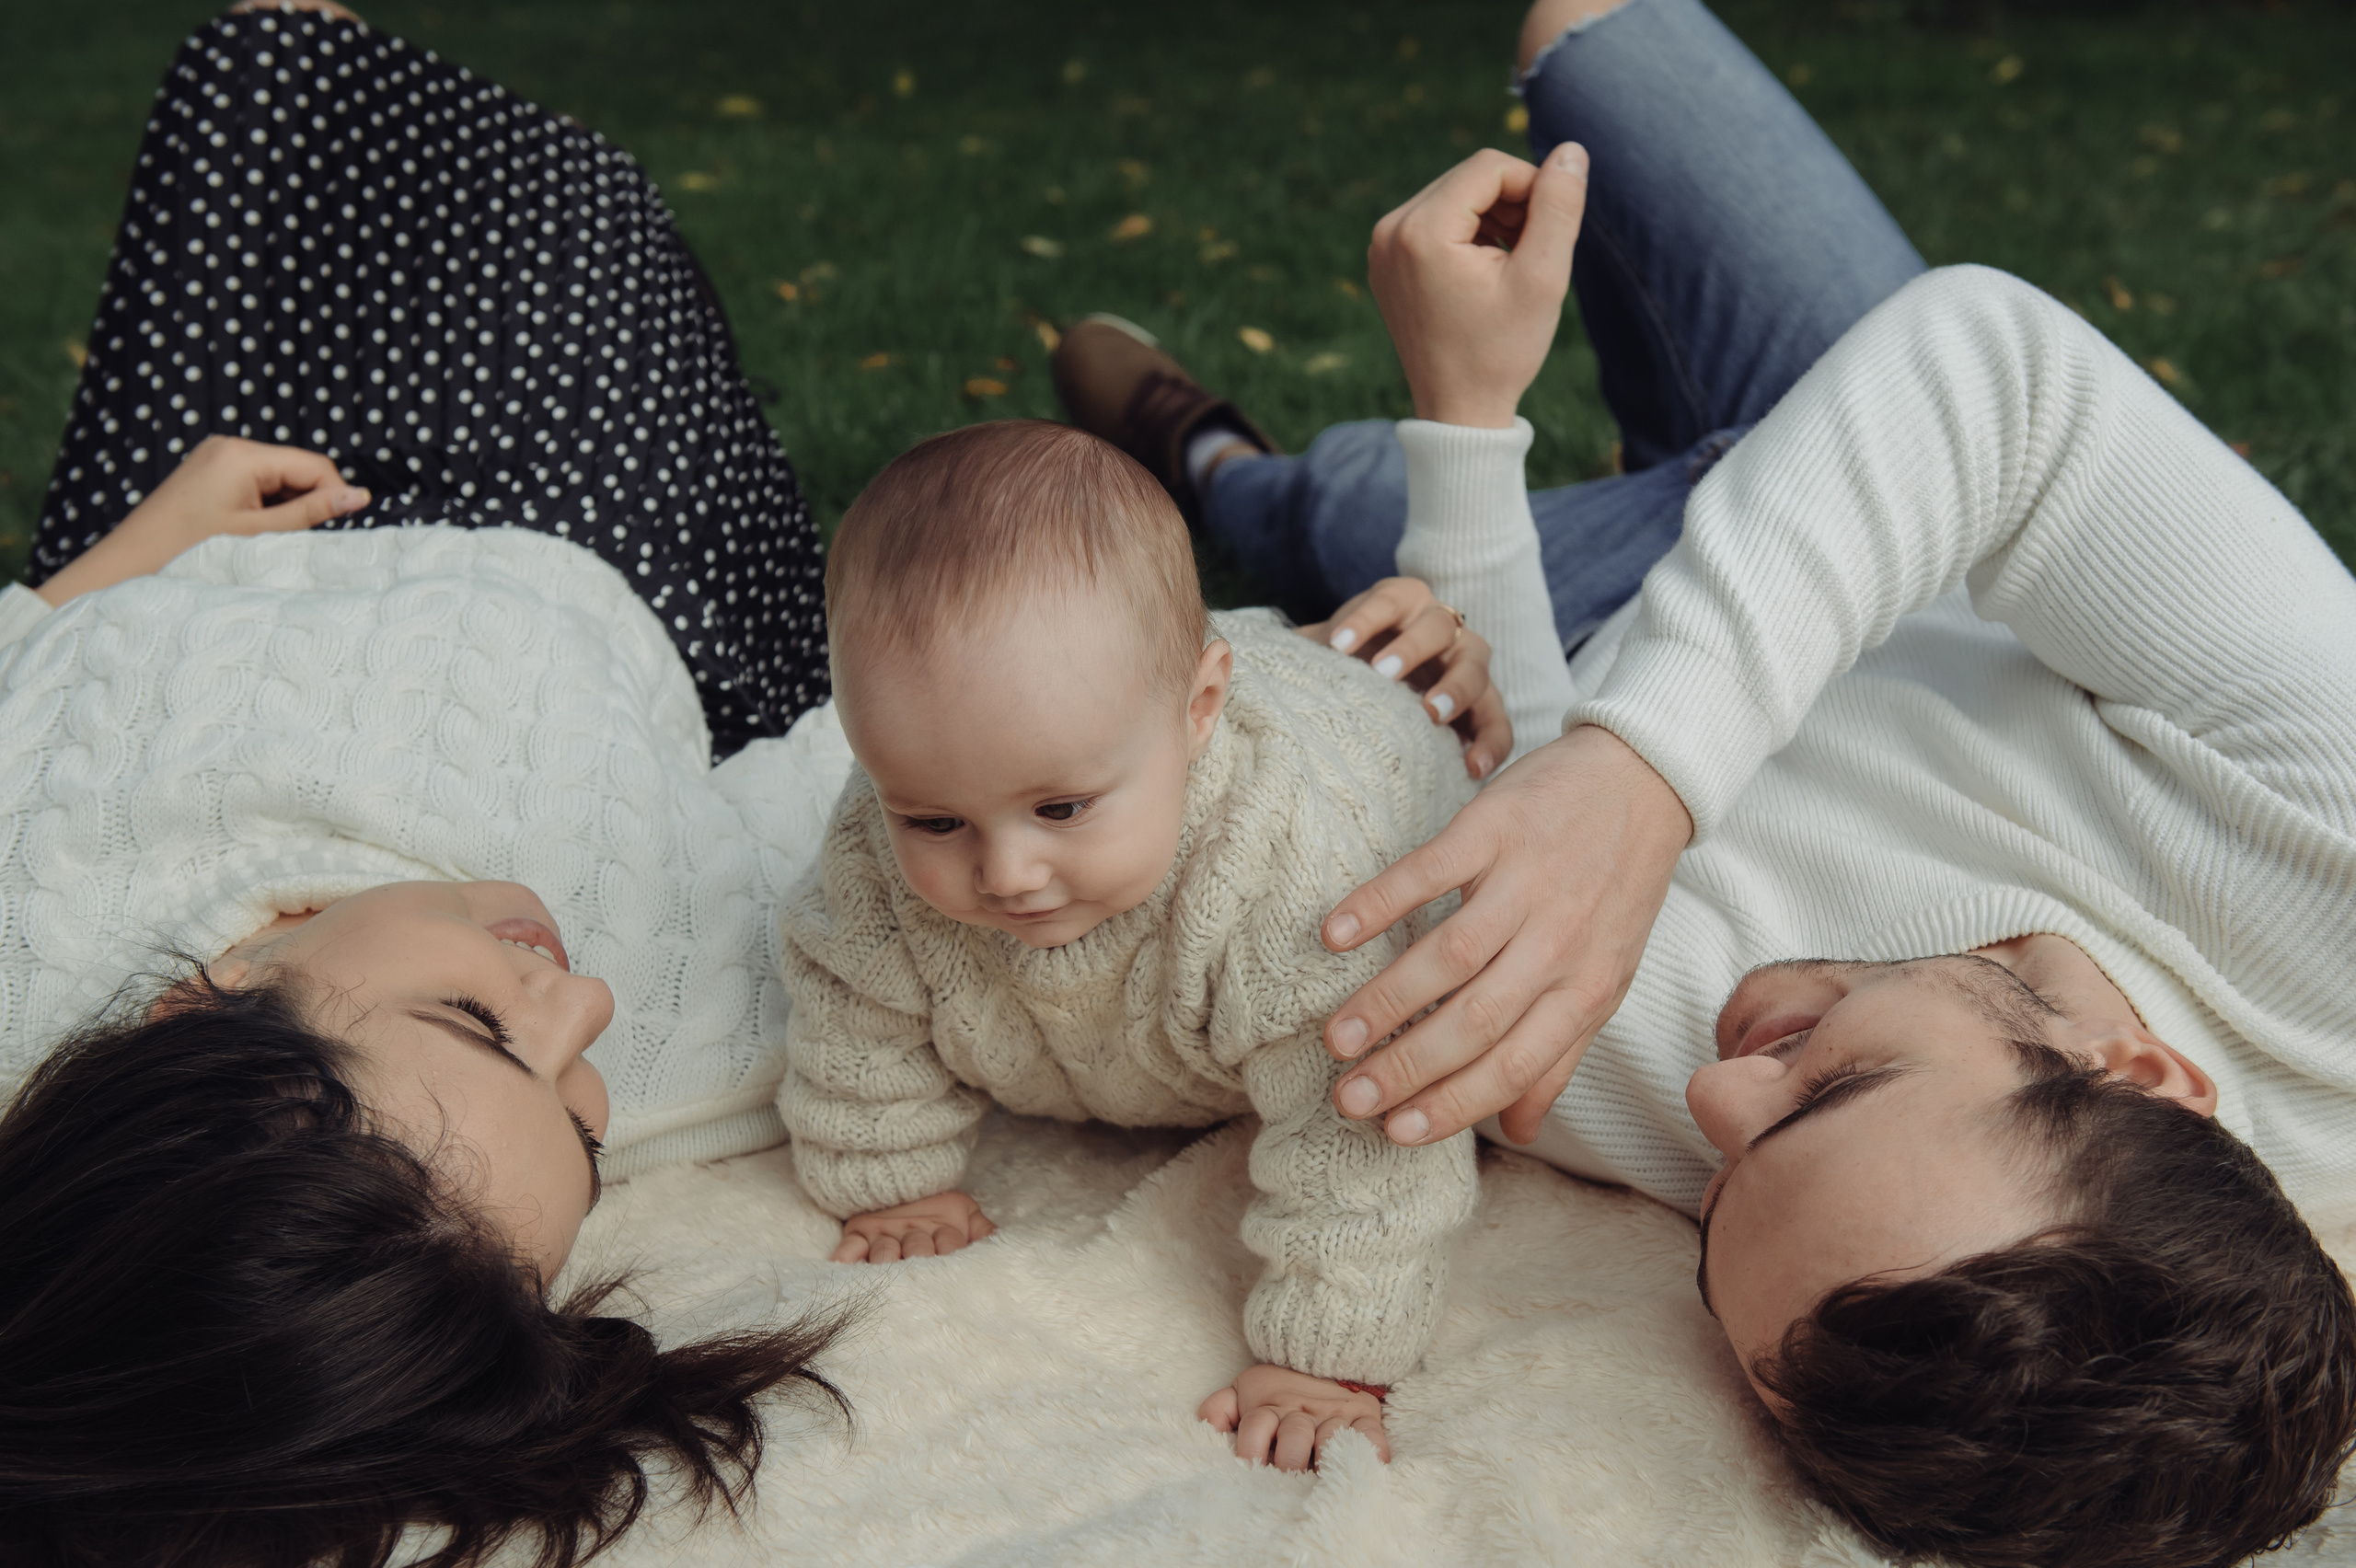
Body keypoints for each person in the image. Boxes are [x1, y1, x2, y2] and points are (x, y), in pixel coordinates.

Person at [0, 6, 1503, 1561]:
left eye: (483, 1024)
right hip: (582, 529)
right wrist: (1315, 682)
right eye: (583, 1124)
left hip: (201, 534)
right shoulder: (697, 1016)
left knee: (267, 62)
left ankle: (1215, 460)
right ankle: (1212, 463)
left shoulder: (26, 981)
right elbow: (862, 835)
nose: (583, 1005)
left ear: (202, 1002)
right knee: (561, 201)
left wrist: (105, 571)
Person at [1054, 0, 2356, 1563]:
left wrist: (1467, 421)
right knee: (1597, 31)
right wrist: (1642, 776)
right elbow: (1998, 384)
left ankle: (1221, 466)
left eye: (1718, 1192)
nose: (1716, 1093)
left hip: (1618, 600)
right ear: (2138, 1068)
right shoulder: (2330, 881)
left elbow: (1484, 747)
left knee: (1354, 508)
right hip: (1909, 488)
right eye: (1839, 1083)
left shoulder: (1759, 1165)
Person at [774, 416, 1553, 1473]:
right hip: (1137, 700)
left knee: (1357, 1066)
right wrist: (891, 1178)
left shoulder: (1302, 885)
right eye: (936, 821)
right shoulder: (891, 827)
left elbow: (1367, 1127)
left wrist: (1326, 1356)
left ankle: (1248, 499)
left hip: (1353, 725)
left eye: (1060, 808)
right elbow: (847, 997)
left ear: (1199, 711)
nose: (1005, 872)